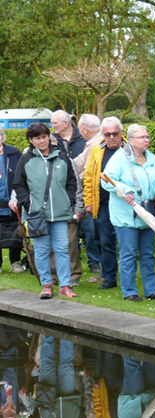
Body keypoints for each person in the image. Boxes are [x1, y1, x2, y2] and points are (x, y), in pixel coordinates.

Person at [102, 124, 155, 302]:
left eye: (147, 137)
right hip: (126, 217)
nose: (146, 140)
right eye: (141, 137)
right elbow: (106, 180)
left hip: (148, 214)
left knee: (148, 253)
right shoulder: (119, 158)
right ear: (130, 140)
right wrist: (124, 190)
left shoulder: (151, 157)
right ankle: (129, 291)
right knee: (128, 254)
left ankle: (151, 290)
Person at [12, 122, 77, 299]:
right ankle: (46, 284)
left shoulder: (62, 157)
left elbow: (72, 182)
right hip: (37, 214)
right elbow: (19, 184)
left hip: (60, 213)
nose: (42, 141)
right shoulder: (26, 159)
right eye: (37, 138)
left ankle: (65, 285)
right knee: (41, 250)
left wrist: (68, 200)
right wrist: (28, 204)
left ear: (49, 137)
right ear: (31, 140)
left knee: (63, 249)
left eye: (44, 137)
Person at [83, 116, 124, 290]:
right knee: (105, 241)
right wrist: (89, 202)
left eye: (115, 133)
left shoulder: (130, 148)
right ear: (102, 135)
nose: (111, 137)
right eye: (107, 134)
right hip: (103, 205)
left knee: (127, 242)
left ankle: (132, 276)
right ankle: (109, 277)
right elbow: (89, 177)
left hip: (125, 204)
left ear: (121, 133)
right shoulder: (97, 149)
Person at [50, 110, 86, 286]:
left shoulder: (67, 162)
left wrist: (78, 208)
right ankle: (53, 275)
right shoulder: (35, 162)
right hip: (47, 209)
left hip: (67, 208)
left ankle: (73, 275)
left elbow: (77, 187)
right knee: (49, 244)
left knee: (70, 244)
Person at [72, 114, 103, 278]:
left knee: (94, 231)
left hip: (92, 195)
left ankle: (98, 265)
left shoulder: (96, 143)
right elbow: (78, 163)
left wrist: (72, 178)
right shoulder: (93, 142)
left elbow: (89, 170)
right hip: (90, 193)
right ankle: (97, 264)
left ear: (84, 129)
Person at [0, 128, 23, 273]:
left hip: (12, 202)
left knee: (16, 232)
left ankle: (16, 262)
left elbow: (21, 175)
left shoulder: (14, 153)